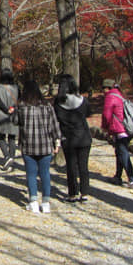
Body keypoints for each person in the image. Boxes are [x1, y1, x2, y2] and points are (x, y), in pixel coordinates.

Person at [17, 79, 61, 214]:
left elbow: (15, 123)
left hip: (28, 145)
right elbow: (54, 125)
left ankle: (33, 201)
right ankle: (46, 203)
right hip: (45, 145)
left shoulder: (22, 106)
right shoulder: (47, 106)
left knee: (31, 174)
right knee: (45, 174)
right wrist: (57, 142)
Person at [54, 74, 92, 202]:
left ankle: (72, 193)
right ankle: (85, 192)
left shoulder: (58, 102)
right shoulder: (83, 100)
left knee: (71, 167)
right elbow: (88, 113)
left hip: (68, 138)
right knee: (84, 166)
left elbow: (56, 119)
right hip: (84, 137)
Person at [101, 79, 133, 189]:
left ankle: (131, 180)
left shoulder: (110, 97)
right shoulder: (119, 95)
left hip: (119, 129)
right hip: (126, 128)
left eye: (103, 88)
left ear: (107, 88)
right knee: (120, 153)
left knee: (123, 154)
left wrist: (105, 128)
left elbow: (107, 115)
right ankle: (118, 176)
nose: (102, 91)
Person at [0, 69, 19, 172]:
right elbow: (19, 99)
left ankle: (7, 156)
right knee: (12, 137)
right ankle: (12, 157)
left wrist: (6, 109)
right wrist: (13, 108)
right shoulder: (16, 87)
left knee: (1, 137)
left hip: (2, 115)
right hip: (14, 114)